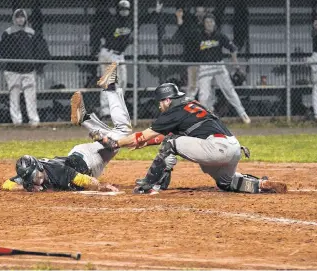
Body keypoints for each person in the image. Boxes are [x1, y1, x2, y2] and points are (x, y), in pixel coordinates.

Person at [91, 82, 287, 195]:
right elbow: (174, 136)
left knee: (171, 144)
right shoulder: (192, 105)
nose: (159, 106)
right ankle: (260, 185)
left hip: (215, 147)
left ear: (167, 100)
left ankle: (150, 184)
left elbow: (148, 135)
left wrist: (116, 143)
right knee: (225, 184)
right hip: (232, 147)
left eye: (161, 102)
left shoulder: (173, 111)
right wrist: (146, 142)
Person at [0, 62, 163, 192]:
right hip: (81, 155)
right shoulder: (29, 174)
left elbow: (85, 181)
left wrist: (101, 187)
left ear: (40, 167)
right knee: (118, 133)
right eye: (30, 179)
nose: (35, 181)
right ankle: (88, 119)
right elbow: (6, 184)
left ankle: (109, 91)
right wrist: (23, 185)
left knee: (124, 131)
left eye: (35, 176)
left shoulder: (58, 173)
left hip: (90, 161)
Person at [95, 0, 162, 119]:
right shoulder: (112, 21)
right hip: (108, 53)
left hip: (119, 55)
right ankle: (105, 111)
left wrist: (155, 12)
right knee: (108, 83)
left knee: (123, 82)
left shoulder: (131, 21)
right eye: (122, 9)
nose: (124, 11)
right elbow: (98, 29)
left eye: (126, 9)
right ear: (118, 9)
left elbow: (144, 20)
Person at [195, 13, 251, 124]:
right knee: (203, 95)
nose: (209, 24)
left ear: (214, 24)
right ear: (204, 24)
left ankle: (242, 113)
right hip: (204, 66)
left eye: (211, 22)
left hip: (218, 65)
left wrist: (236, 66)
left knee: (229, 90)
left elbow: (233, 49)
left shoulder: (219, 36)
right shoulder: (199, 36)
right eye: (207, 22)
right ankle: (203, 120)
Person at [0, 9, 50, 126]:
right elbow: (3, 51)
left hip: (28, 70)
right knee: (14, 96)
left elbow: (39, 50)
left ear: (26, 18)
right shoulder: (8, 33)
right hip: (12, 71)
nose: (20, 19)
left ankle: (34, 120)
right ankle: (16, 121)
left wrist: (37, 65)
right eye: (18, 17)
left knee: (31, 97)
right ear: (14, 18)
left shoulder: (31, 33)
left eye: (22, 17)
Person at [174, 4, 206, 99]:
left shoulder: (207, 25)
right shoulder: (193, 25)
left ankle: (208, 107)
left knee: (205, 86)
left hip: (206, 59)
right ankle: (188, 104)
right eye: (198, 12)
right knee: (193, 85)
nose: (200, 15)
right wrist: (179, 19)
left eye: (202, 12)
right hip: (193, 59)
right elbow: (183, 31)